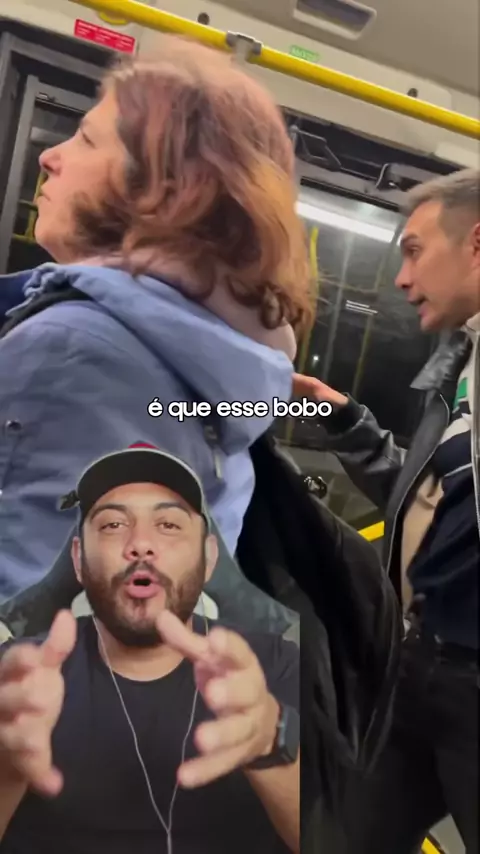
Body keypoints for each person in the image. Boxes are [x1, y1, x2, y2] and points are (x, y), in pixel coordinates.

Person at [0, 35, 311, 633]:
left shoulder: (74, 348)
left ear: (164, 189)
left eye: (86, 138)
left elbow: (32, 627)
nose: (50, 156)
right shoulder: (219, 360)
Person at [294, 168, 479, 852]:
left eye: (414, 251)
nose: (401, 279)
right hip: (418, 665)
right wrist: (348, 426)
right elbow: (435, 499)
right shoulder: (458, 369)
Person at [0, 444, 299, 854]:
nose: (140, 544)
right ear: (79, 560)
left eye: (168, 525)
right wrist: (5, 763)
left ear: (209, 557)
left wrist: (270, 738)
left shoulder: (281, 666)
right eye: (112, 525)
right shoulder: (15, 682)